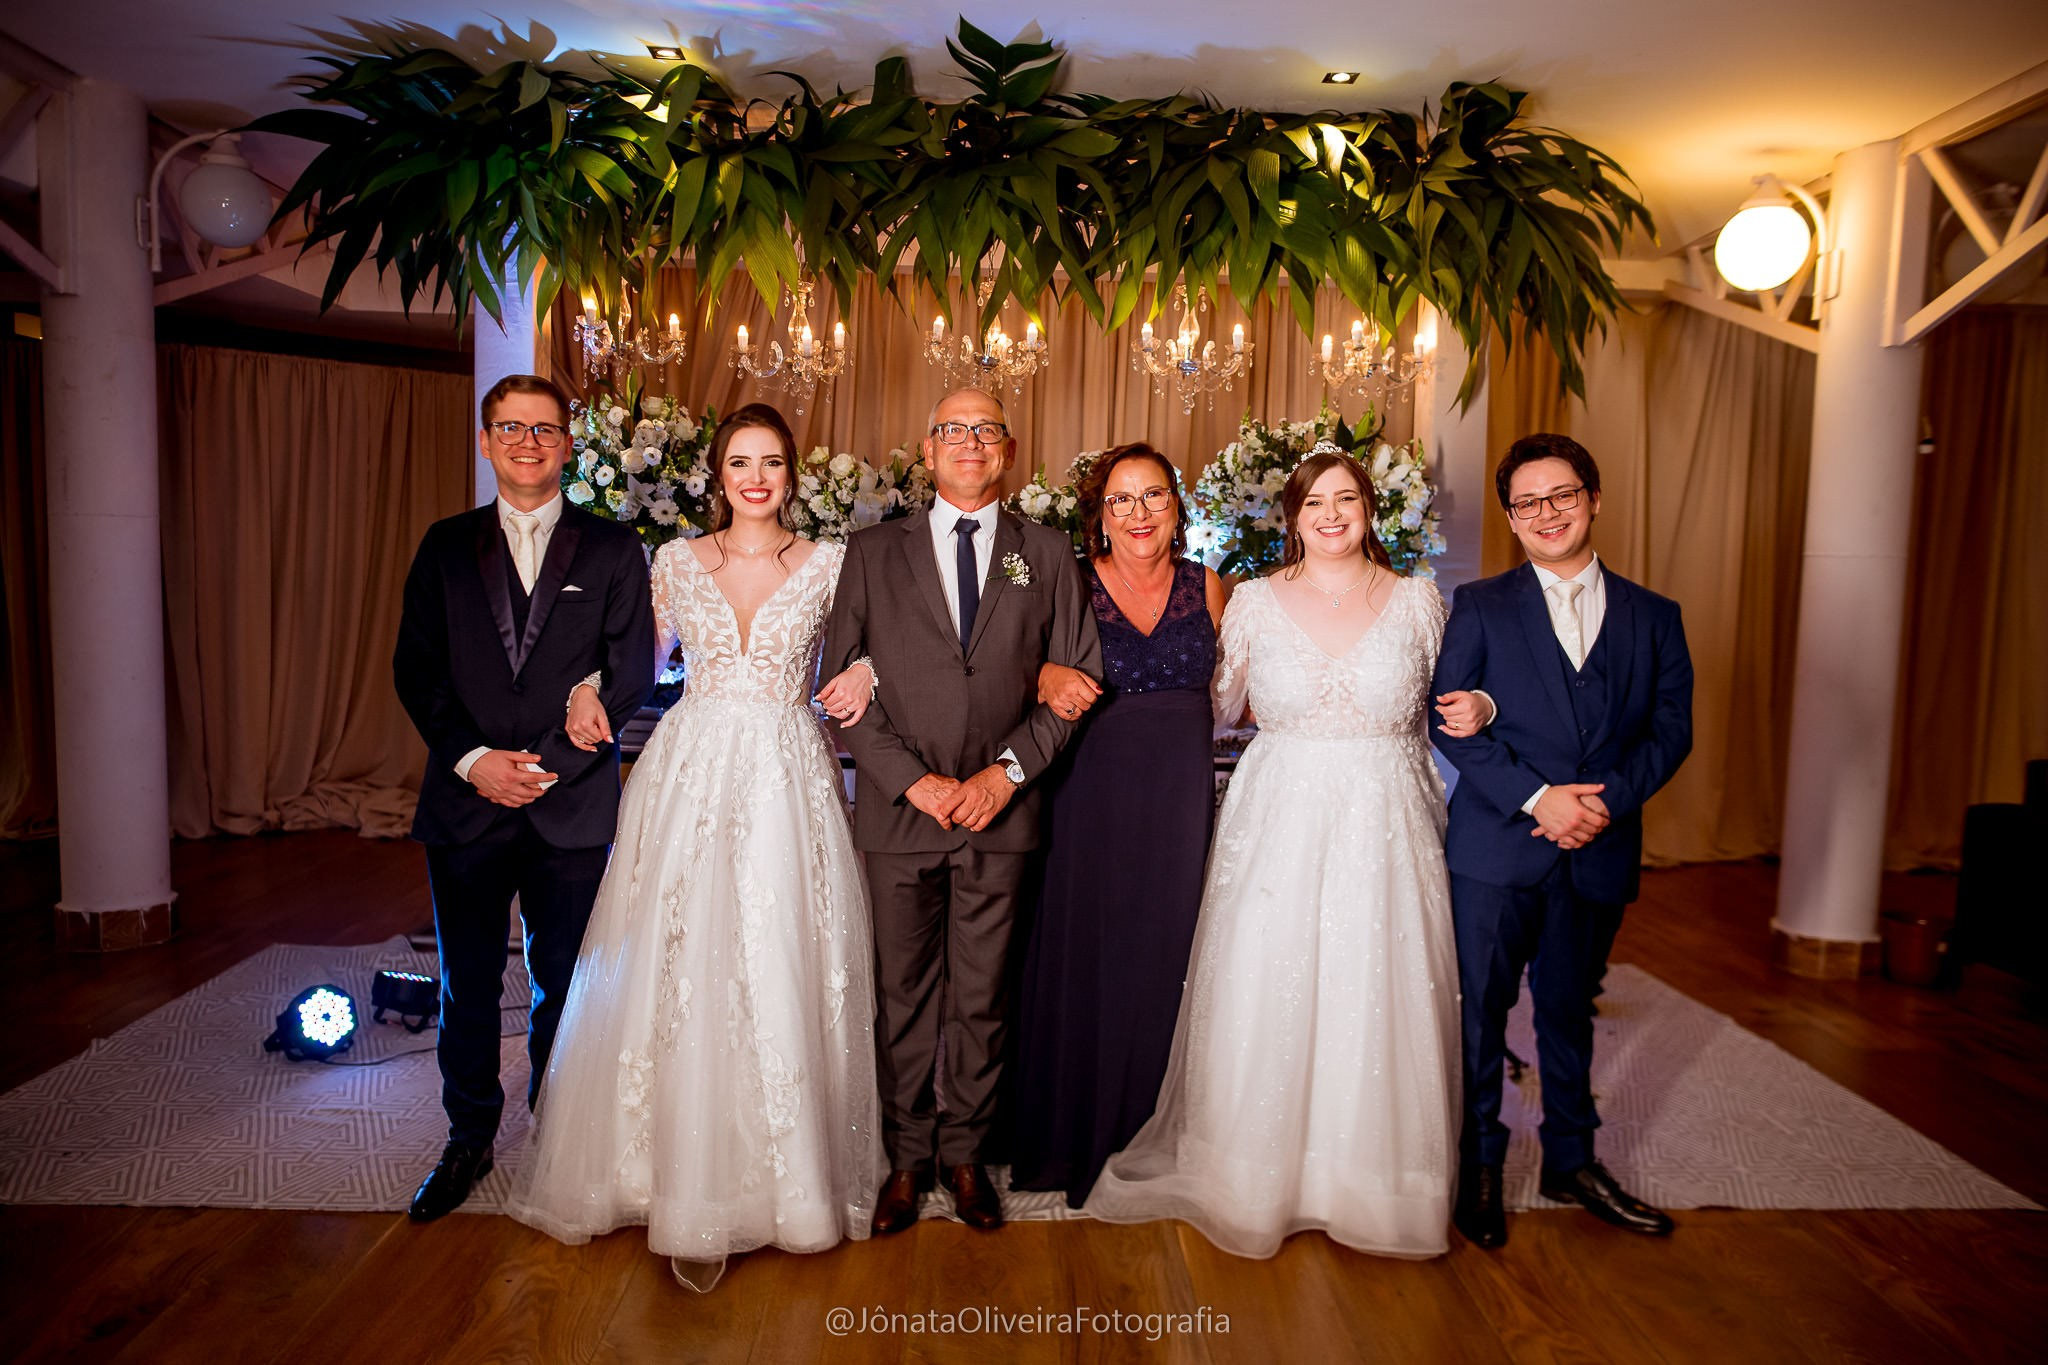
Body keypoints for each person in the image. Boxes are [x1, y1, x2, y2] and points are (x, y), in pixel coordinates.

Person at [504, 404, 885, 1291]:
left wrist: (870, 667)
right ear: (719, 475)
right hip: (690, 763)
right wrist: (584, 688)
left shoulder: (831, 564)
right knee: (672, 952)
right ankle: (649, 1167)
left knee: (779, 948)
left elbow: (872, 649)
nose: (757, 477)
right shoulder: (674, 560)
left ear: (793, 475)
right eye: (741, 461)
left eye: (773, 462)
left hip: (788, 767)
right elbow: (636, 652)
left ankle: (788, 1176)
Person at [1086, 445, 1488, 1259]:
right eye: (1314, 503)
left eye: (1346, 499)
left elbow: (1456, 692)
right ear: (1292, 517)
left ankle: (1369, 1177)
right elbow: (1216, 703)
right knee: (1271, 977)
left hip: (1387, 817)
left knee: (1376, 981)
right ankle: (1252, 1167)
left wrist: (1482, 699)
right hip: (1279, 818)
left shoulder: (1418, 601)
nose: (1332, 515)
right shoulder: (1255, 604)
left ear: (1370, 509)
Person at [824, 387, 1102, 1234]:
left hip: (1000, 816)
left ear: (1007, 450)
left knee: (981, 999)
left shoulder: (1045, 552)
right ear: (928, 445)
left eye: (985, 430)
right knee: (901, 994)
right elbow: (842, 693)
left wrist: (1001, 776)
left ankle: (967, 1155)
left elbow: (1072, 682)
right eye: (953, 429)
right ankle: (907, 1160)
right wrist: (917, 783)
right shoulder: (872, 551)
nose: (969, 443)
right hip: (901, 817)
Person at [393, 373, 655, 1222]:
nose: (528, 442)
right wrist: (475, 761)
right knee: (465, 984)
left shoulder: (614, 549)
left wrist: (537, 762)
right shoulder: (442, 545)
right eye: (510, 427)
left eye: (544, 428)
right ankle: (468, 1134)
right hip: (466, 803)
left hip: (568, 802)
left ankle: (559, 1130)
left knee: (568, 983)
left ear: (568, 444)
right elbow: (417, 670)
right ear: (486, 440)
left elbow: (630, 670)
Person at [1429, 432, 1694, 1250]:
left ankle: (1572, 1158)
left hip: (1599, 847)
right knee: (1481, 1012)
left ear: (1594, 499)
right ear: (1512, 517)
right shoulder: (1479, 605)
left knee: (1570, 1011)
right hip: (1496, 849)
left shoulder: (1656, 616)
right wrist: (1540, 798)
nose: (1547, 513)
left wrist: (1600, 806)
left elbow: (1670, 731)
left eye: (1563, 495)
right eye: (1529, 502)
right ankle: (1478, 1163)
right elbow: (1448, 720)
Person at [1009, 442, 1224, 1208]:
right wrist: (1045, 674)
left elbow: (1255, 684)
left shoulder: (1213, 587)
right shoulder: (1067, 581)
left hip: (1178, 801)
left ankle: (1155, 1128)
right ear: (1100, 516)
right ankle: (1074, 1128)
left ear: (1177, 506)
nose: (1139, 513)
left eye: (1154, 496)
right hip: (1089, 794)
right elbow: (1009, 663)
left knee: (1170, 947)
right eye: (1122, 500)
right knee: (1091, 947)